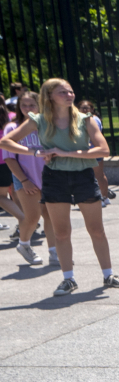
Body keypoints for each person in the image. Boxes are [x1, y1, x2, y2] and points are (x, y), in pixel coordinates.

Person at [0, 79, 119, 297]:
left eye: (70, 91)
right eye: (63, 92)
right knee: (61, 232)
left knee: (96, 229)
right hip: (55, 177)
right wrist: (35, 152)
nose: (70, 95)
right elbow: (6, 142)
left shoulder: (85, 119)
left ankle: (108, 274)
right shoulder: (39, 120)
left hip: (83, 176)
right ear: (50, 96)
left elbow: (104, 150)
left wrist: (67, 153)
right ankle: (68, 279)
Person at [4, 91, 50, 266]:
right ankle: (24, 245)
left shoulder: (47, 125)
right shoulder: (12, 128)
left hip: (49, 178)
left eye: (32, 105)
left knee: (51, 217)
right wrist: (24, 180)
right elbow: (9, 158)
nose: (28, 108)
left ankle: (55, 253)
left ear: (40, 105)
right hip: (25, 179)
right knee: (32, 218)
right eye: (24, 105)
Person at [77, 99, 115, 207]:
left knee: (98, 175)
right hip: (86, 152)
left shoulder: (93, 120)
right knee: (94, 175)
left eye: (87, 108)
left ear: (92, 109)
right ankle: (103, 197)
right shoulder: (81, 120)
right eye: (82, 108)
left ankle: (103, 197)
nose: (84, 110)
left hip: (94, 151)